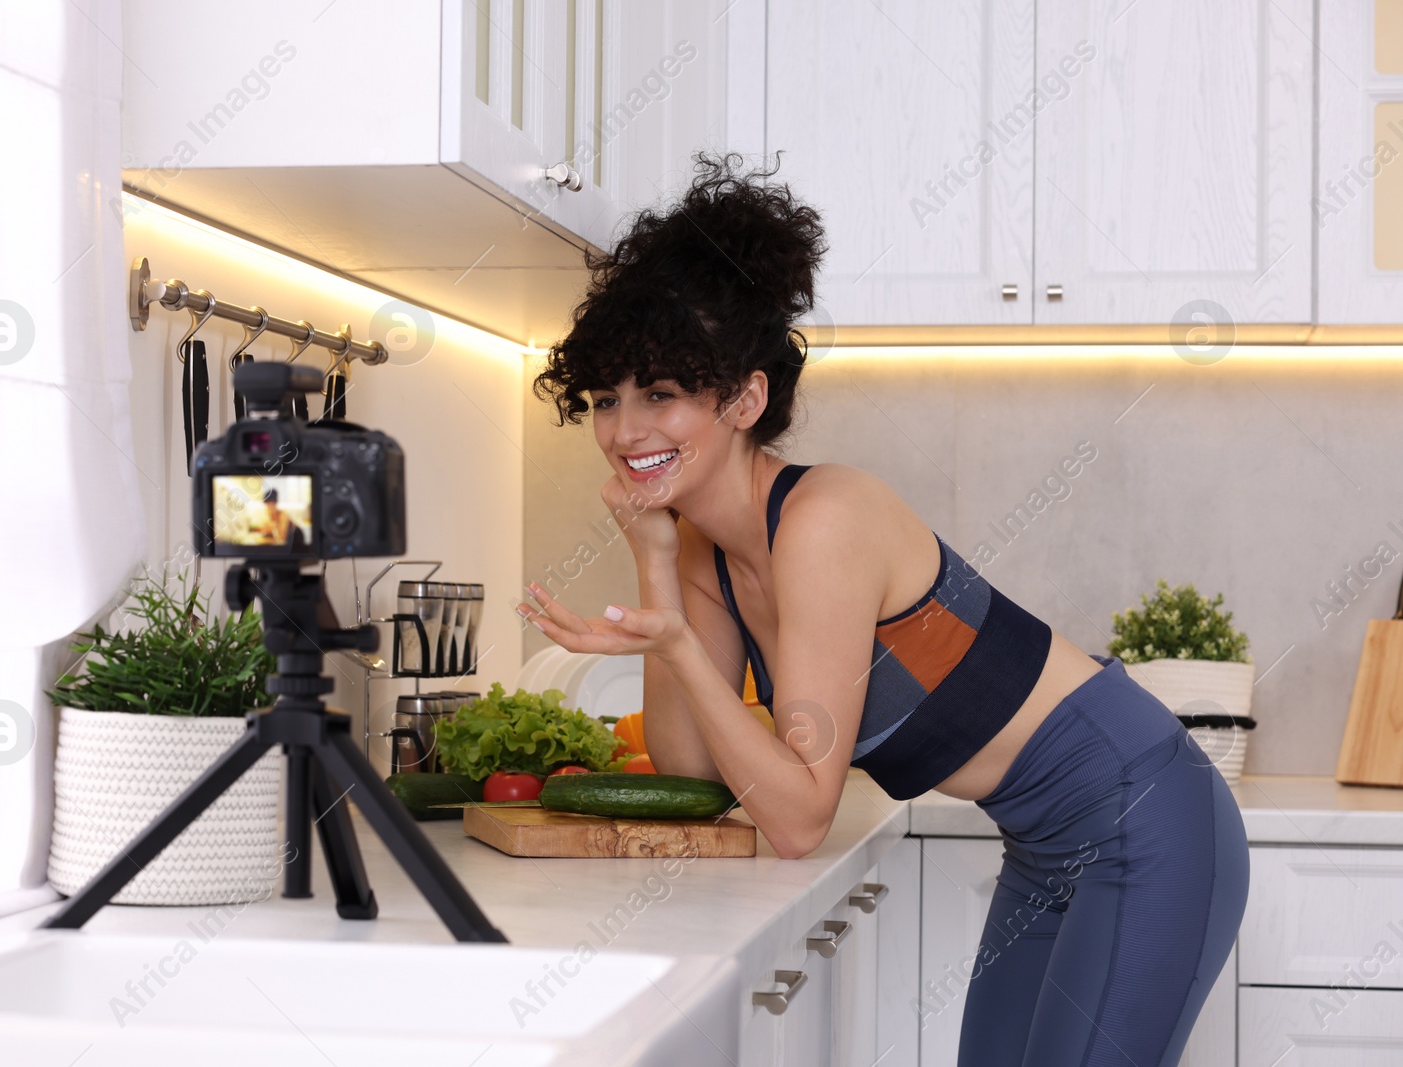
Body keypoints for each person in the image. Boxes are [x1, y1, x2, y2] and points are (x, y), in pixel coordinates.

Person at [516, 152, 1248, 1067]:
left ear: (745, 398)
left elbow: (794, 817)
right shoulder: (701, 542)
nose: (626, 431)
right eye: (605, 400)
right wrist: (656, 568)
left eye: (661, 394)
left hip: (1146, 820)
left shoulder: (823, 520)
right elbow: (691, 765)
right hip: (1043, 849)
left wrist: (674, 641)